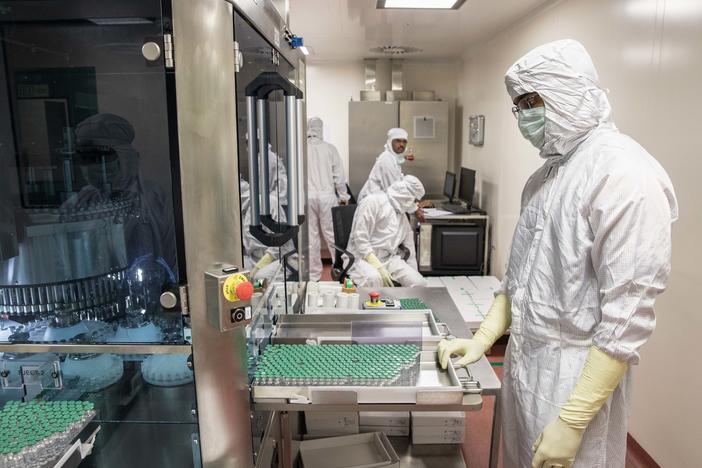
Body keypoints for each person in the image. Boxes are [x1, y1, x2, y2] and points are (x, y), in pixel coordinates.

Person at [437, 39, 677, 468]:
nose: (523, 116)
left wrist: (573, 419)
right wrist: (482, 339)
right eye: (519, 105)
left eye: (531, 101)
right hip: (524, 361)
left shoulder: (624, 175)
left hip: (575, 379)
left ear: (567, 94)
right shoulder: (546, 176)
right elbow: (520, 281)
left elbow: (627, 317)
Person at [347, 175, 427, 288]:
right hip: (362, 258)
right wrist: (377, 266)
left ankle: (405, 304)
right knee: (374, 279)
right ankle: (372, 305)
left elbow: (410, 250)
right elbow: (360, 238)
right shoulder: (372, 202)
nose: (414, 204)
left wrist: (413, 273)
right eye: (413, 199)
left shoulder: (402, 215)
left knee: (419, 283)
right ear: (405, 195)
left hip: (389, 259)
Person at [306, 117, 350, 281]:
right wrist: (344, 196)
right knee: (332, 235)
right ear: (321, 129)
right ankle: (339, 269)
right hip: (327, 197)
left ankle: (313, 275)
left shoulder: (301, 148)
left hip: (308, 197)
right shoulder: (330, 149)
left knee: (311, 237)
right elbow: (339, 176)